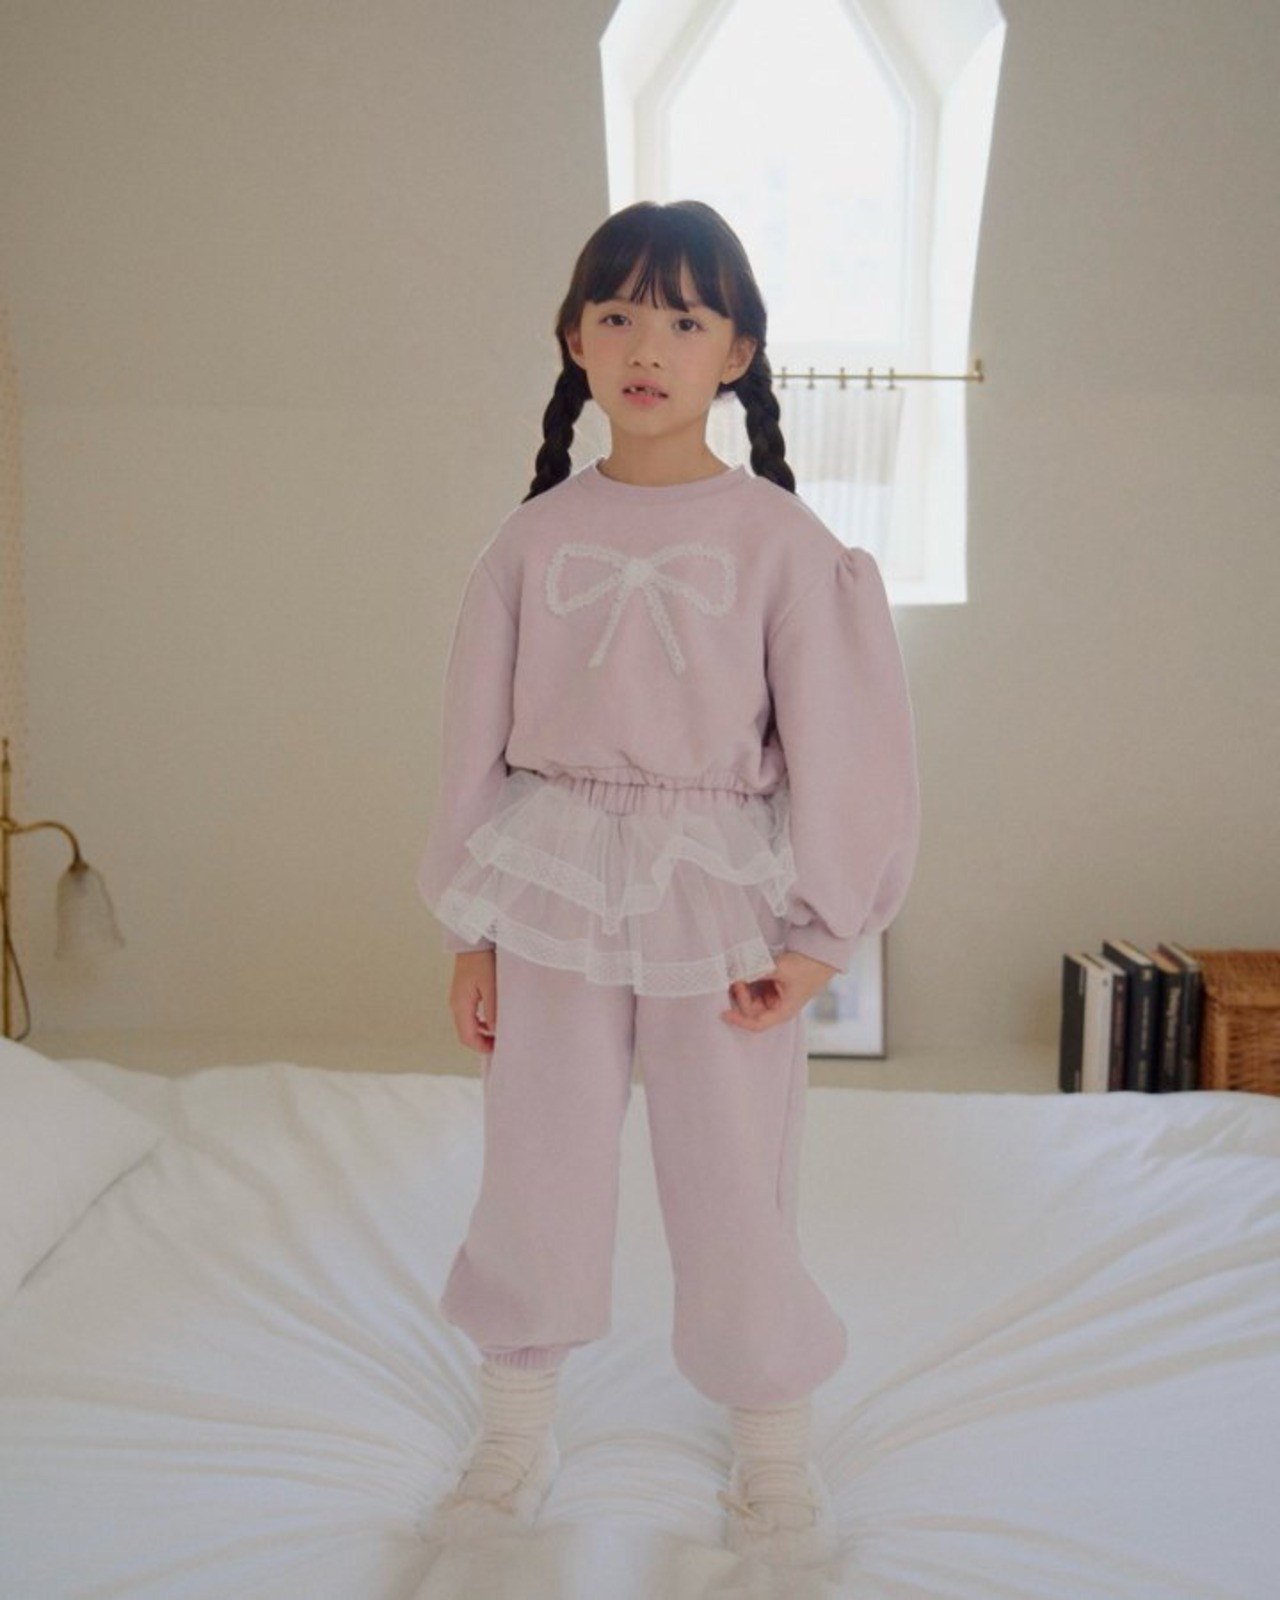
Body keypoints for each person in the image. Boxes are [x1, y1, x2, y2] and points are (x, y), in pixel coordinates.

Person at [418, 199, 919, 1563]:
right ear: (575, 339)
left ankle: (773, 1448)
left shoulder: (785, 544)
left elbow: (848, 747)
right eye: (620, 313)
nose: (649, 346)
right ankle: (515, 1432)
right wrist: (470, 932)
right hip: (551, 887)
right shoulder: (527, 543)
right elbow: (471, 745)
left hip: (718, 896)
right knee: (538, 1159)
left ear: (736, 352)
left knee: (735, 1170)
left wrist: (822, 934)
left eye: (686, 320)